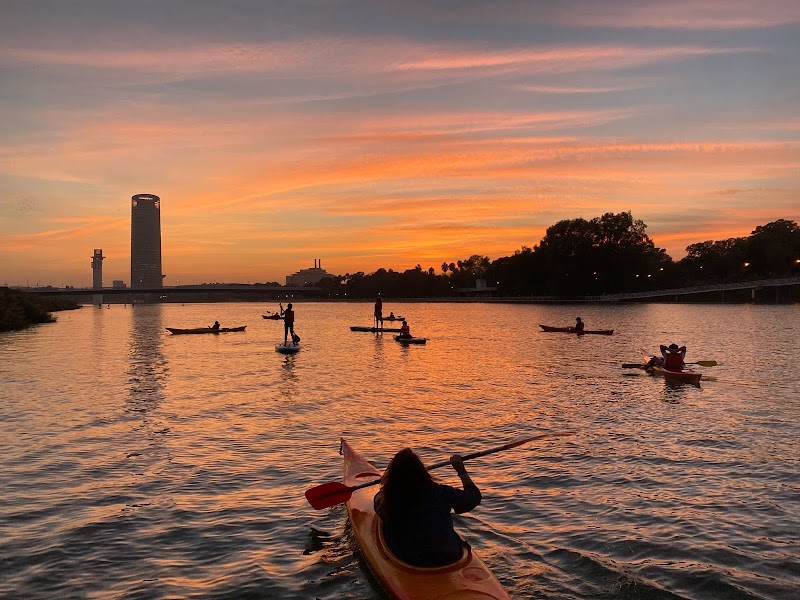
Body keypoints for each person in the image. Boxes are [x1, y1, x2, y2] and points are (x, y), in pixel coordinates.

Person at [374, 448, 481, 567]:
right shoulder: (442, 493)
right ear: (422, 472)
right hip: (448, 556)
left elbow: (378, 502)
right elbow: (474, 498)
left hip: (411, 560)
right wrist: (461, 471)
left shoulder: (388, 501)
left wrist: (386, 485)